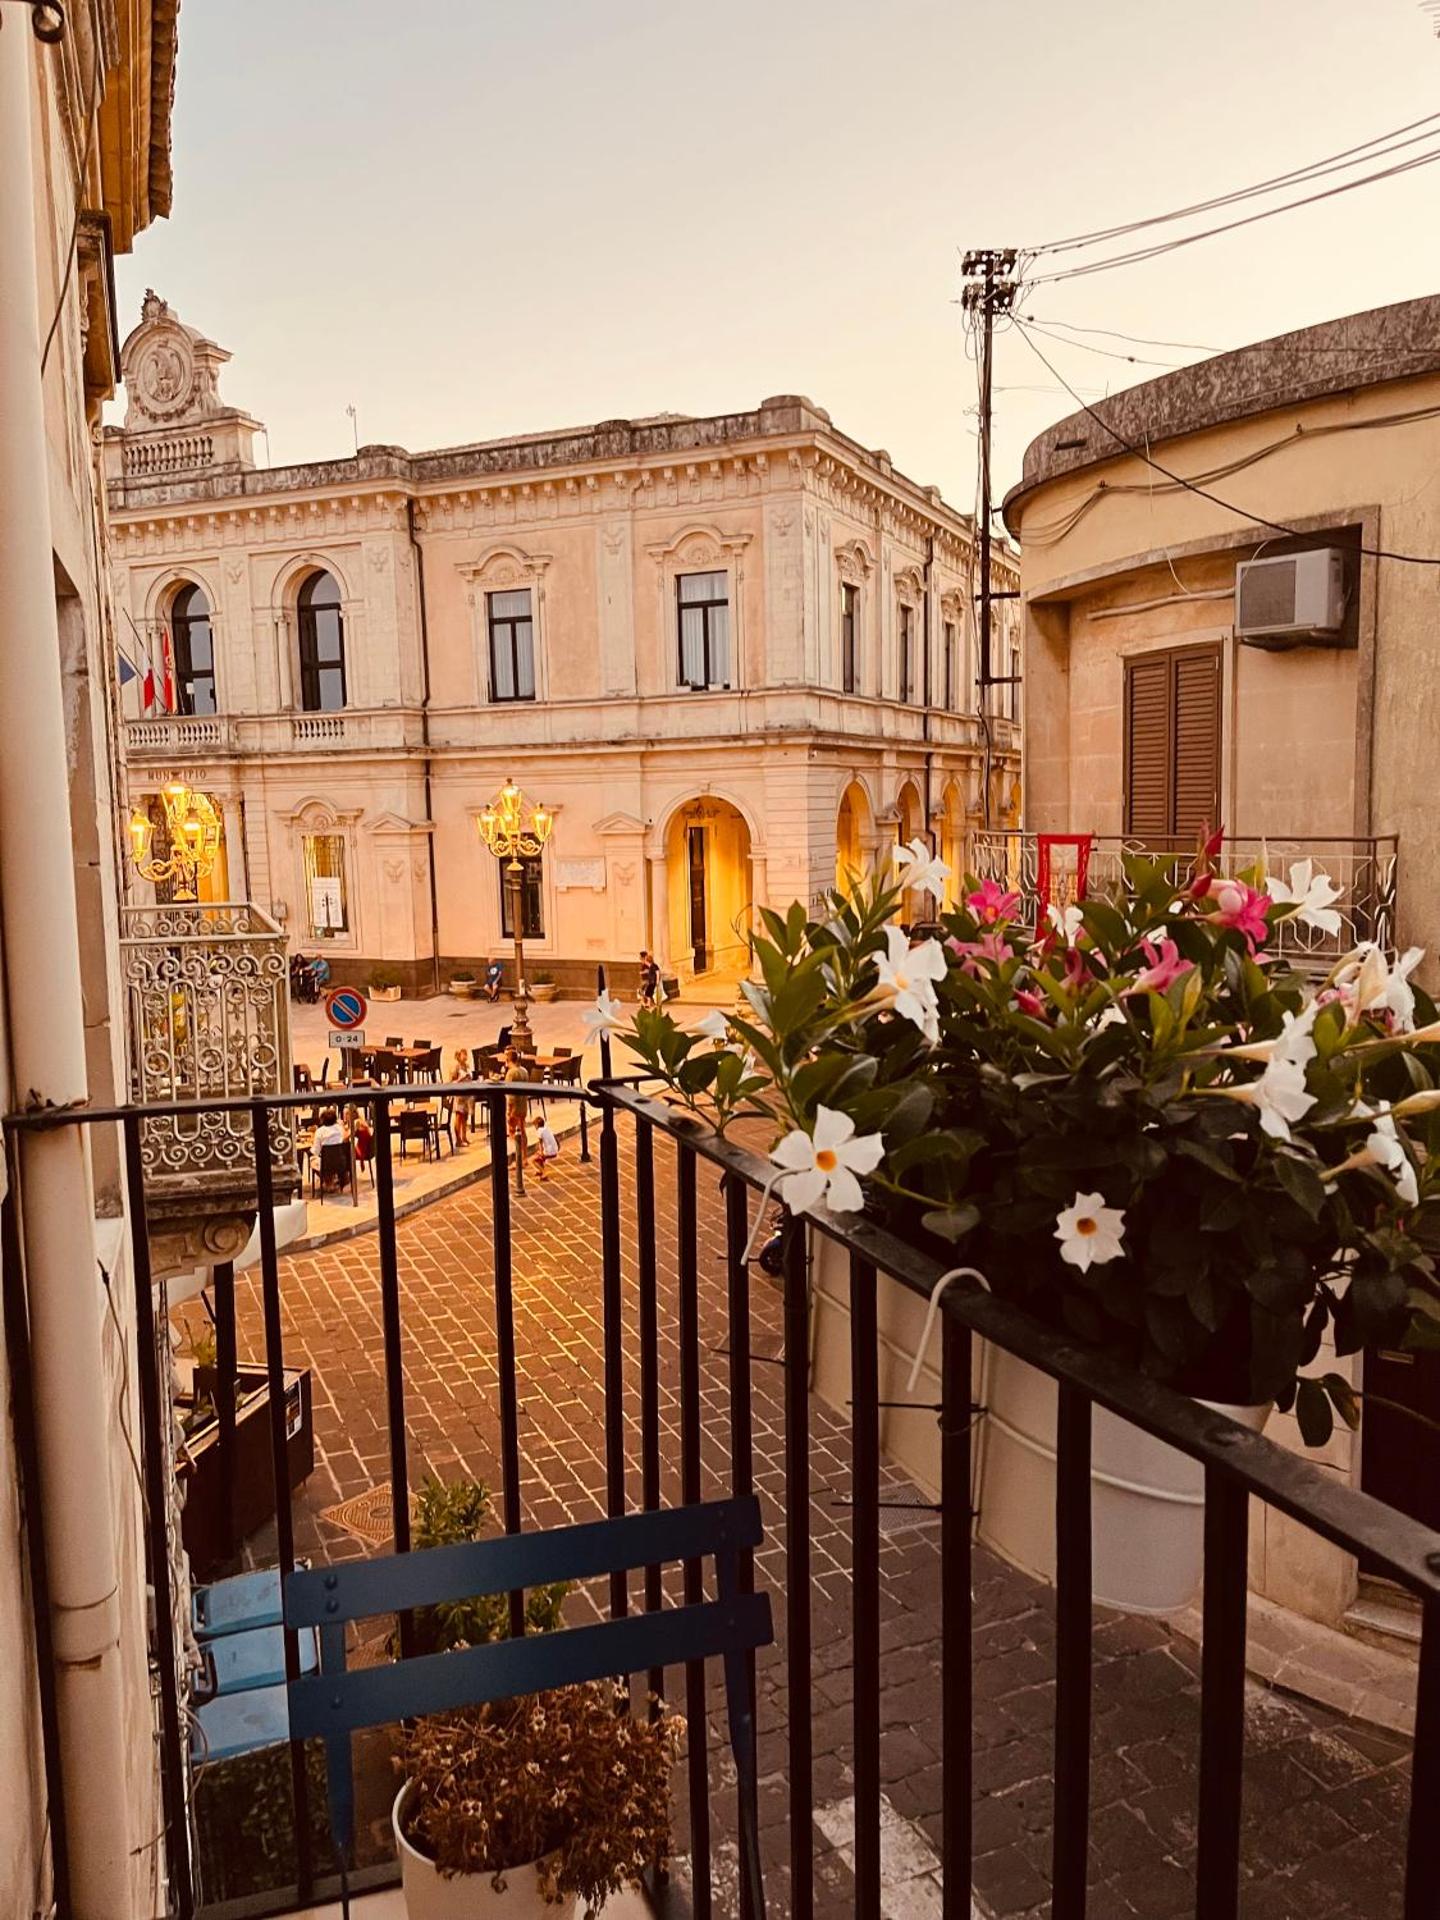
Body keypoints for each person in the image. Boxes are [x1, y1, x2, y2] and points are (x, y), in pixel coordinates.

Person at [504, 1046, 529, 1151]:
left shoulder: (511, 1073)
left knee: (512, 1132)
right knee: (522, 1131)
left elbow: (511, 1096)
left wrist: (509, 1112)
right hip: (523, 1106)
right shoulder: (524, 1071)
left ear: (508, 1060)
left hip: (515, 1108)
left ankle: (517, 1156)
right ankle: (524, 1156)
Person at [448, 1047, 474, 1148]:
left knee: (465, 1117)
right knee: (459, 1117)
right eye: (464, 1054)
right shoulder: (456, 1067)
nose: (466, 1056)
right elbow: (451, 1082)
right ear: (459, 1056)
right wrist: (460, 1079)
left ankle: (464, 1137)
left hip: (467, 1095)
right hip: (459, 1096)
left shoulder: (466, 1066)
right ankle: (458, 1139)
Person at [530, 1112, 561, 1181]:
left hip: (549, 1151)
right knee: (539, 1157)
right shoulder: (547, 1129)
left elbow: (540, 1144)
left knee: (532, 1160)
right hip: (554, 1149)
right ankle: (540, 1171)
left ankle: (544, 1173)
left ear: (537, 1125)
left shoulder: (539, 1131)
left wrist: (541, 1153)